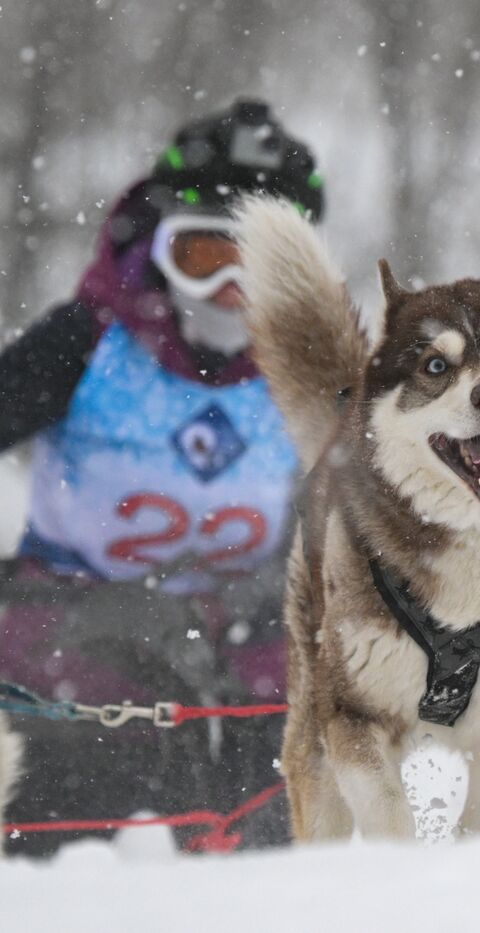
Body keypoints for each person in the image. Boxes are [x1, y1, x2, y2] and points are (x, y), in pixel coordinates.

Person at [0, 99, 323, 856]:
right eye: (207, 258)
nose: (233, 292)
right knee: (96, 755)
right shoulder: (86, 343)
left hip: (248, 636)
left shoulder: (319, 372)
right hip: (77, 626)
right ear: (159, 248)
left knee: (302, 749)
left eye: (267, 267)